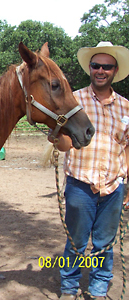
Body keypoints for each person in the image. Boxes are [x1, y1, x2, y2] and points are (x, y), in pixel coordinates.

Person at [50, 42, 129, 300]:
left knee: (104, 244)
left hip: (114, 186)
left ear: (115, 70)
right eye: (96, 65)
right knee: (76, 242)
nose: (101, 70)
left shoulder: (126, 107)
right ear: (90, 69)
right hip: (80, 183)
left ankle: (97, 289)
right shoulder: (76, 100)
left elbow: (127, 146)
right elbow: (65, 145)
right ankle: (69, 287)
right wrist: (56, 138)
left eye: (107, 66)